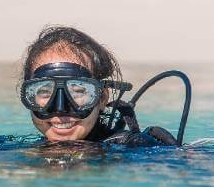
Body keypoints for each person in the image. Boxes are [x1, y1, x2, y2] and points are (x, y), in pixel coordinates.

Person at [19, 26, 178, 146]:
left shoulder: (131, 152)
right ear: (30, 98)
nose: (60, 108)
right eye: (45, 92)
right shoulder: (12, 151)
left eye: (78, 91)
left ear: (101, 98)